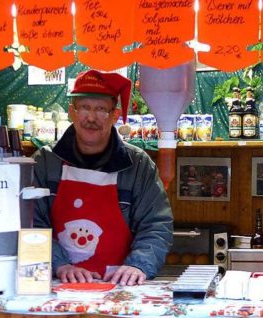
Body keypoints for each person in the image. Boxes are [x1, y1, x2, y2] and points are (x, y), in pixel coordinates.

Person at [33, 69, 174, 286]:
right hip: (56, 285)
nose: (91, 118)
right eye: (85, 108)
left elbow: (156, 224)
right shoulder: (44, 163)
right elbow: (31, 223)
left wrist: (139, 264)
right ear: (72, 112)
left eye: (101, 109)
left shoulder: (138, 165)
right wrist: (58, 264)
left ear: (115, 116)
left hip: (119, 287)